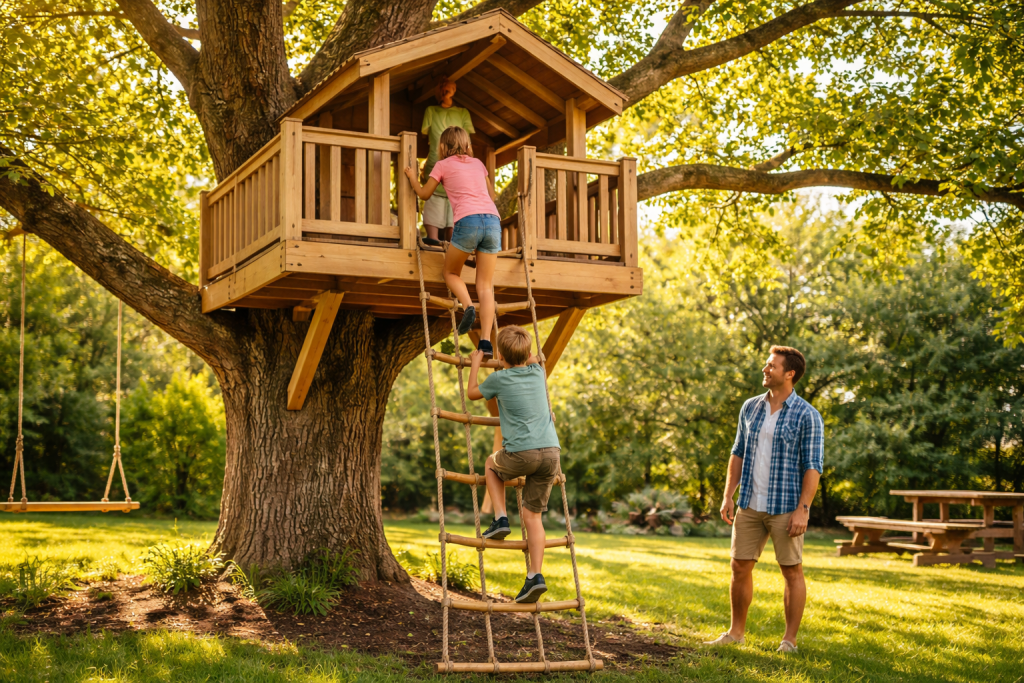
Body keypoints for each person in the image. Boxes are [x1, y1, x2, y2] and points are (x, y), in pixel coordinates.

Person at [704, 346, 823, 654]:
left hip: (787, 508)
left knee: (791, 570)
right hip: (750, 504)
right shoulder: (751, 408)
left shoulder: (808, 415)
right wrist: (728, 495)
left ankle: (789, 641)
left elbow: (813, 466)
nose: (765, 369)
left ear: (789, 373)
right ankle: (736, 633)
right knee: (739, 567)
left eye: (771, 366)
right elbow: (737, 452)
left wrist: (803, 510)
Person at [466, 325, 560, 603]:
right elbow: (534, 357)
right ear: (528, 353)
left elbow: (471, 393)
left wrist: (475, 363)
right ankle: (535, 576)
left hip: (521, 453)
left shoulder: (498, 378)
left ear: (500, 357)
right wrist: (526, 354)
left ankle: (500, 518)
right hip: (551, 454)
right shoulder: (538, 372)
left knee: (491, 464)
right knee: (533, 516)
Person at [404, 126, 499, 353]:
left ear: (443, 147)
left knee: (450, 273)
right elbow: (492, 196)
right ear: (467, 145)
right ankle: (485, 341)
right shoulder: (478, 164)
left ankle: (467, 306)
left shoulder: (442, 165)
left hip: (468, 221)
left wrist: (412, 177)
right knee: (485, 285)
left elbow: (425, 194)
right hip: (493, 221)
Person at [419, 77, 475, 246]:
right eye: (443, 87)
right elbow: (425, 133)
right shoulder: (431, 111)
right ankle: (433, 242)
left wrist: (471, 164)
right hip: (435, 165)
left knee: (455, 209)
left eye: (450, 87)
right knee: (433, 201)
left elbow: (469, 143)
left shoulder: (463, 112)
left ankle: (454, 245)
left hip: (458, 170)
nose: (447, 90)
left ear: (455, 90)